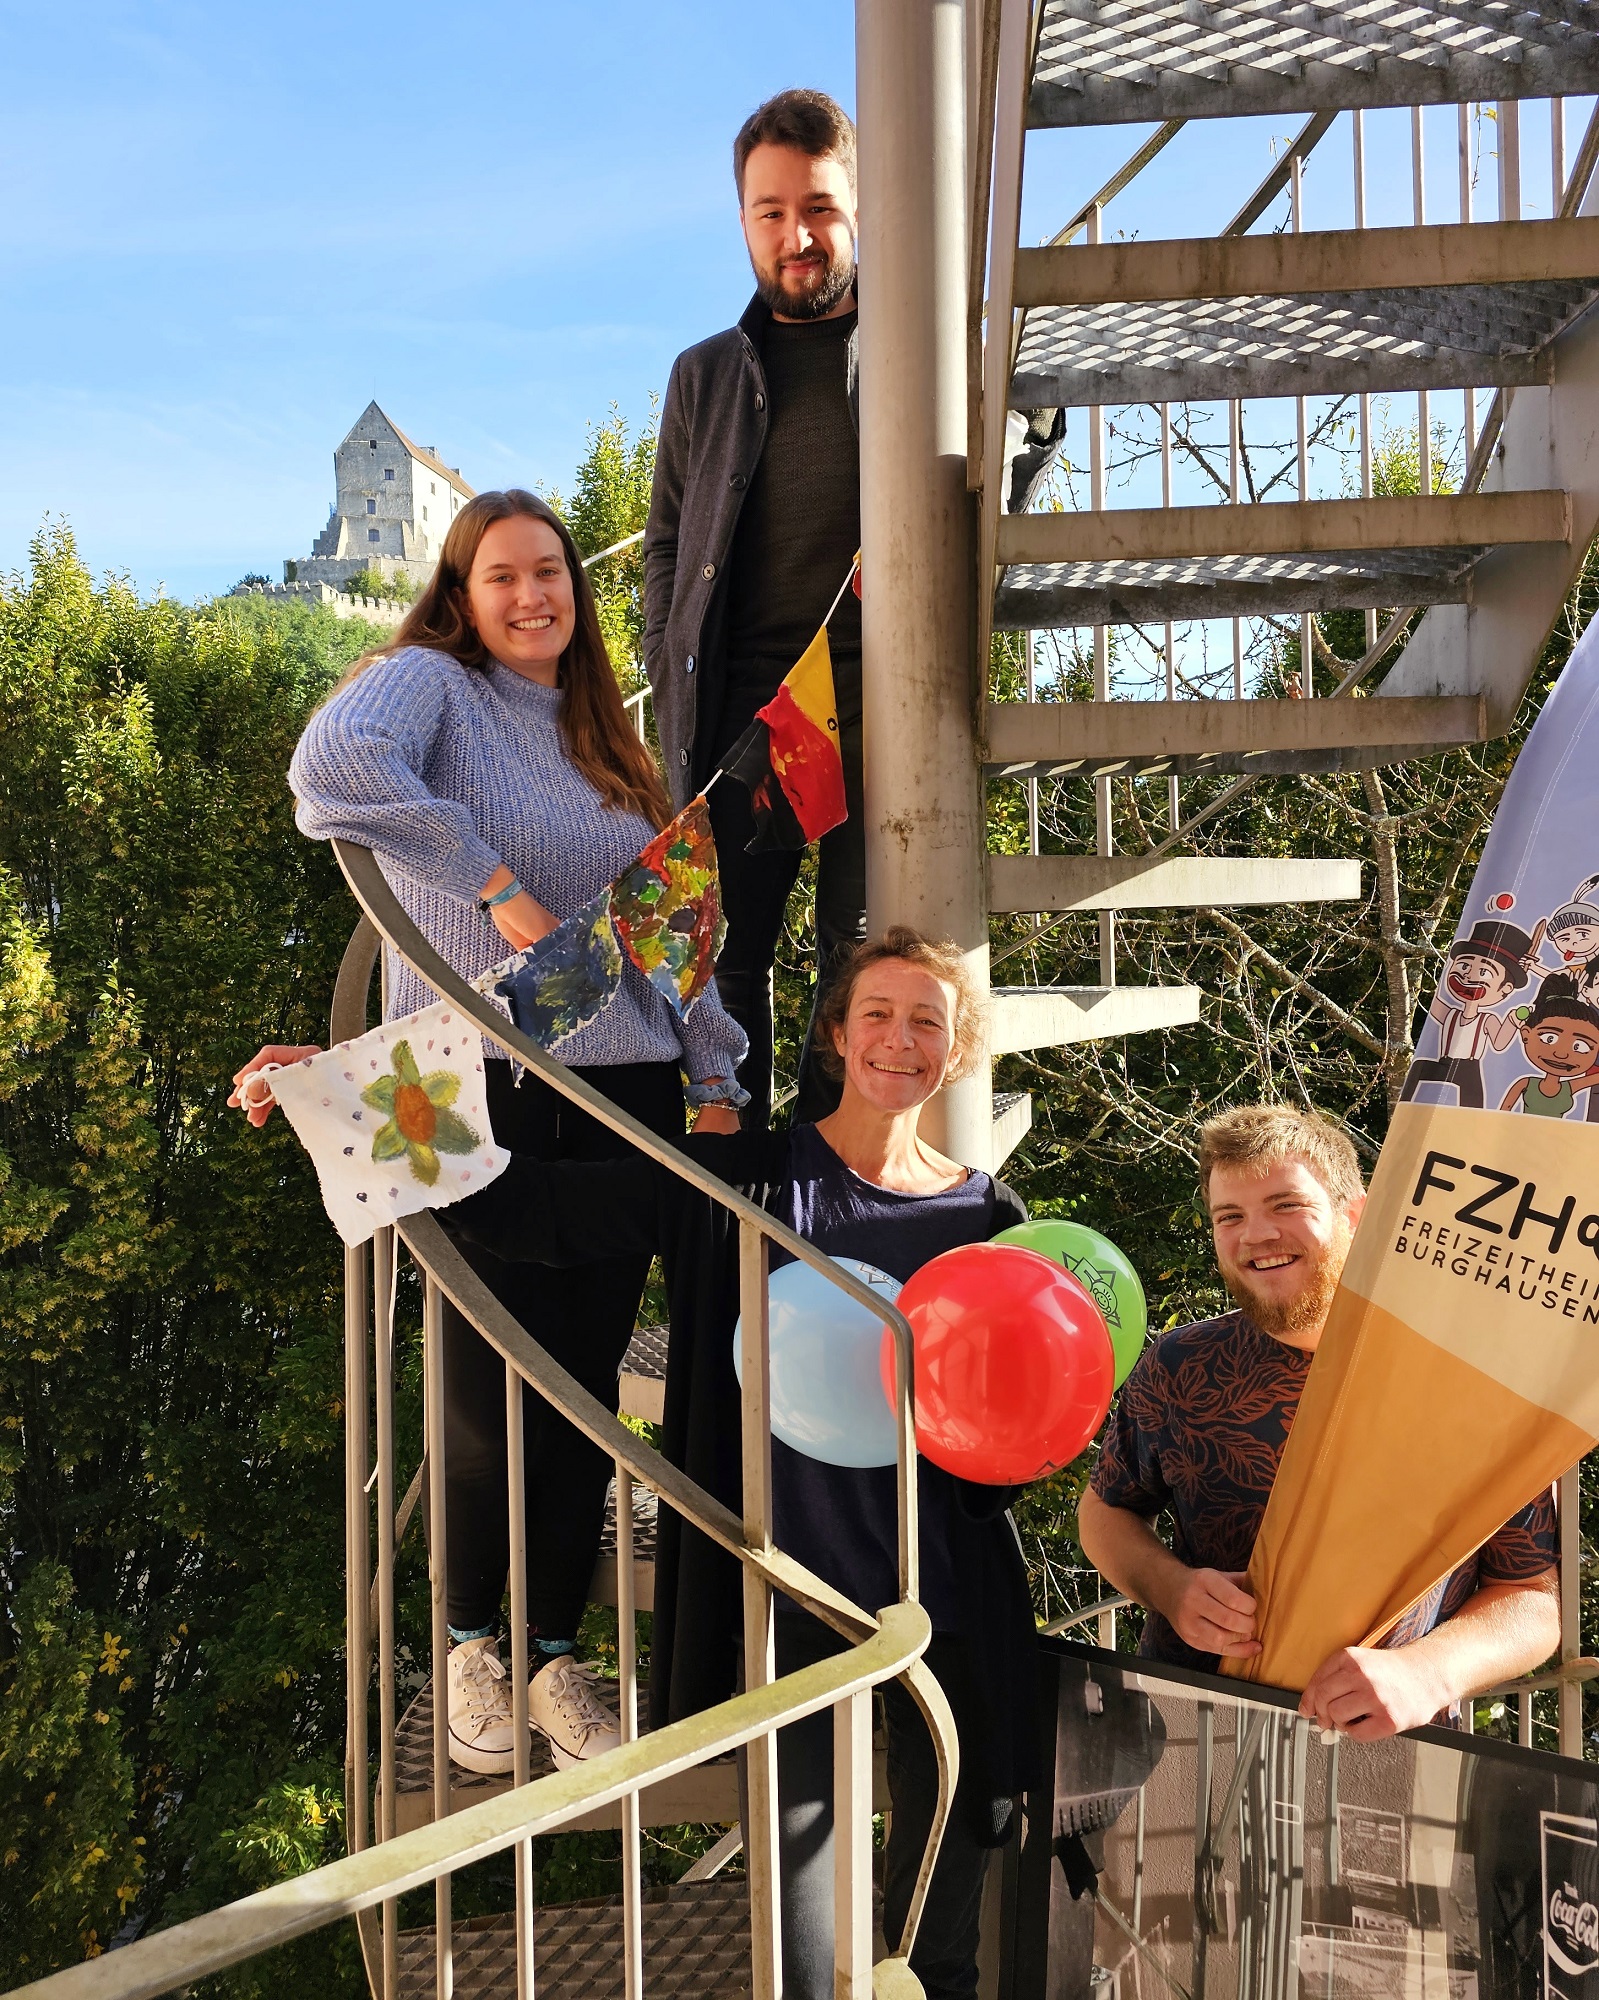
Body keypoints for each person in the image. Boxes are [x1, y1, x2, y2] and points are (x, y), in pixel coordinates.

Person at [231, 488, 749, 1779]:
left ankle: (550, 1657)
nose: (532, 598)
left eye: (552, 575)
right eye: (502, 577)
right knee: (477, 1397)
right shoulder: (428, 686)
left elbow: (674, 933)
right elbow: (332, 771)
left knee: (578, 1406)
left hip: (623, 1098)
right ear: (459, 596)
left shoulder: (610, 745)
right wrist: (499, 885)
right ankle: (470, 1643)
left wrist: (719, 1074)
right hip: (473, 1084)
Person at [448, 929, 1039, 2000]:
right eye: (877, 1014)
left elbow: (1017, 1424)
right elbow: (538, 1211)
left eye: (926, 1022)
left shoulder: (991, 1219)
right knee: (799, 1957)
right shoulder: (744, 1176)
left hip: (941, 1601)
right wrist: (356, 1106)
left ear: (954, 1053)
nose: (899, 1040)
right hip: (789, 1605)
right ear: (836, 1034)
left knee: (939, 1952)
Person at [645, 89, 1060, 1126]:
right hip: (739, 720)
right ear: (741, 218)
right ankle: (735, 1209)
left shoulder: (920, 347)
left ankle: (834, 1200)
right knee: (717, 988)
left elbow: (1012, 471)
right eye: (771, 211)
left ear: (860, 206)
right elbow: (663, 544)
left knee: (864, 979)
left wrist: (1029, 385)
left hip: (890, 713)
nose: (797, 234)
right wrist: (663, 659)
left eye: (819, 207)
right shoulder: (701, 375)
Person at [1078, 1104, 1560, 1740]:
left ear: (1356, 1216)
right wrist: (1169, 1586)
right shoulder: (1178, 1367)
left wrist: (1429, 1674)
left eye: (1284, 1204)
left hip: (1389, 1751)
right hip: (1182, 1735)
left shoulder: (1472, 1384)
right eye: (1231, 1216)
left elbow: (1531, 1597)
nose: (1256, 1235)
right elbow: (1106, 1512)